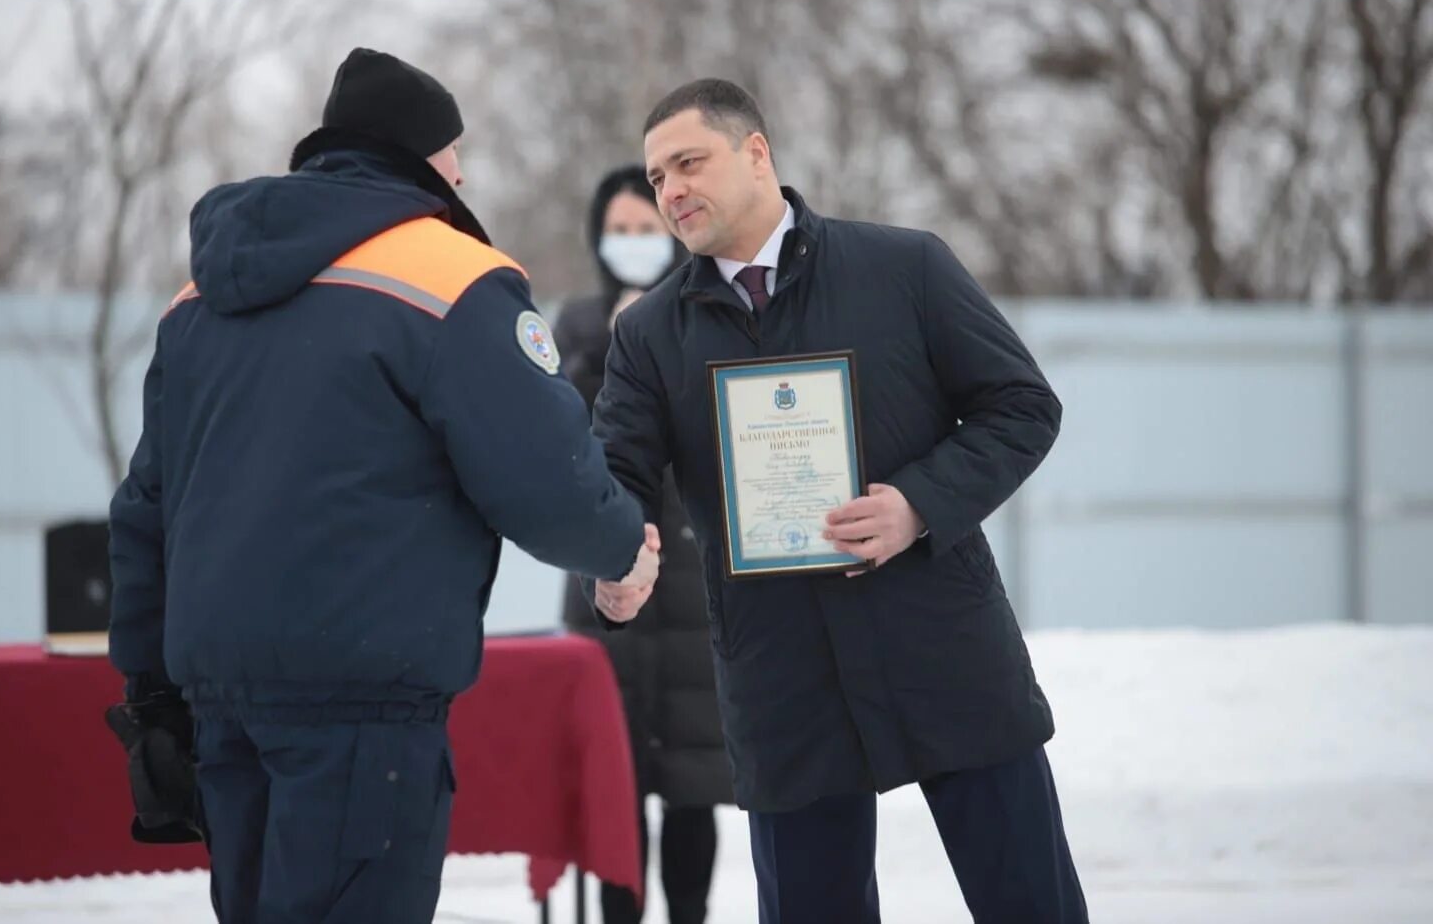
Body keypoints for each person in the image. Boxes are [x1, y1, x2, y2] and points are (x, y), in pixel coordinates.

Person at [104, 47, 660, 924]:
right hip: (360, 706)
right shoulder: (447, 275)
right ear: (416, 155)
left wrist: (148, 691)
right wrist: (623, 545)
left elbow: (145, 508)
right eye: (453, 151)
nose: (464, 172)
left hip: (219, 707)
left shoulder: (199, 296)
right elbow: (542, 472)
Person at [591, 79, 1087, 924]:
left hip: (943, 646)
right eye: (657, 175)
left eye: (687, 163)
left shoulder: (905, 268)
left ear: (755, 155)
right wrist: (618, 556)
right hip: (781, 677)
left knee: (1029, 902)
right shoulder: (647, 335)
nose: (668, 191)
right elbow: (618, 477)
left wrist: (918, 504)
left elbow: (1023, 407)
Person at [556, 166, 732, 924]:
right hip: (610, 584)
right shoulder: (576, 325)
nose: (634, 244)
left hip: (695, 580)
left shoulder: (709, 314)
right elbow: (565, 435)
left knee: (695, 785)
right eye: (620, 231)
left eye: (647, 229)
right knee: (612, 788)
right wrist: (612, 350)